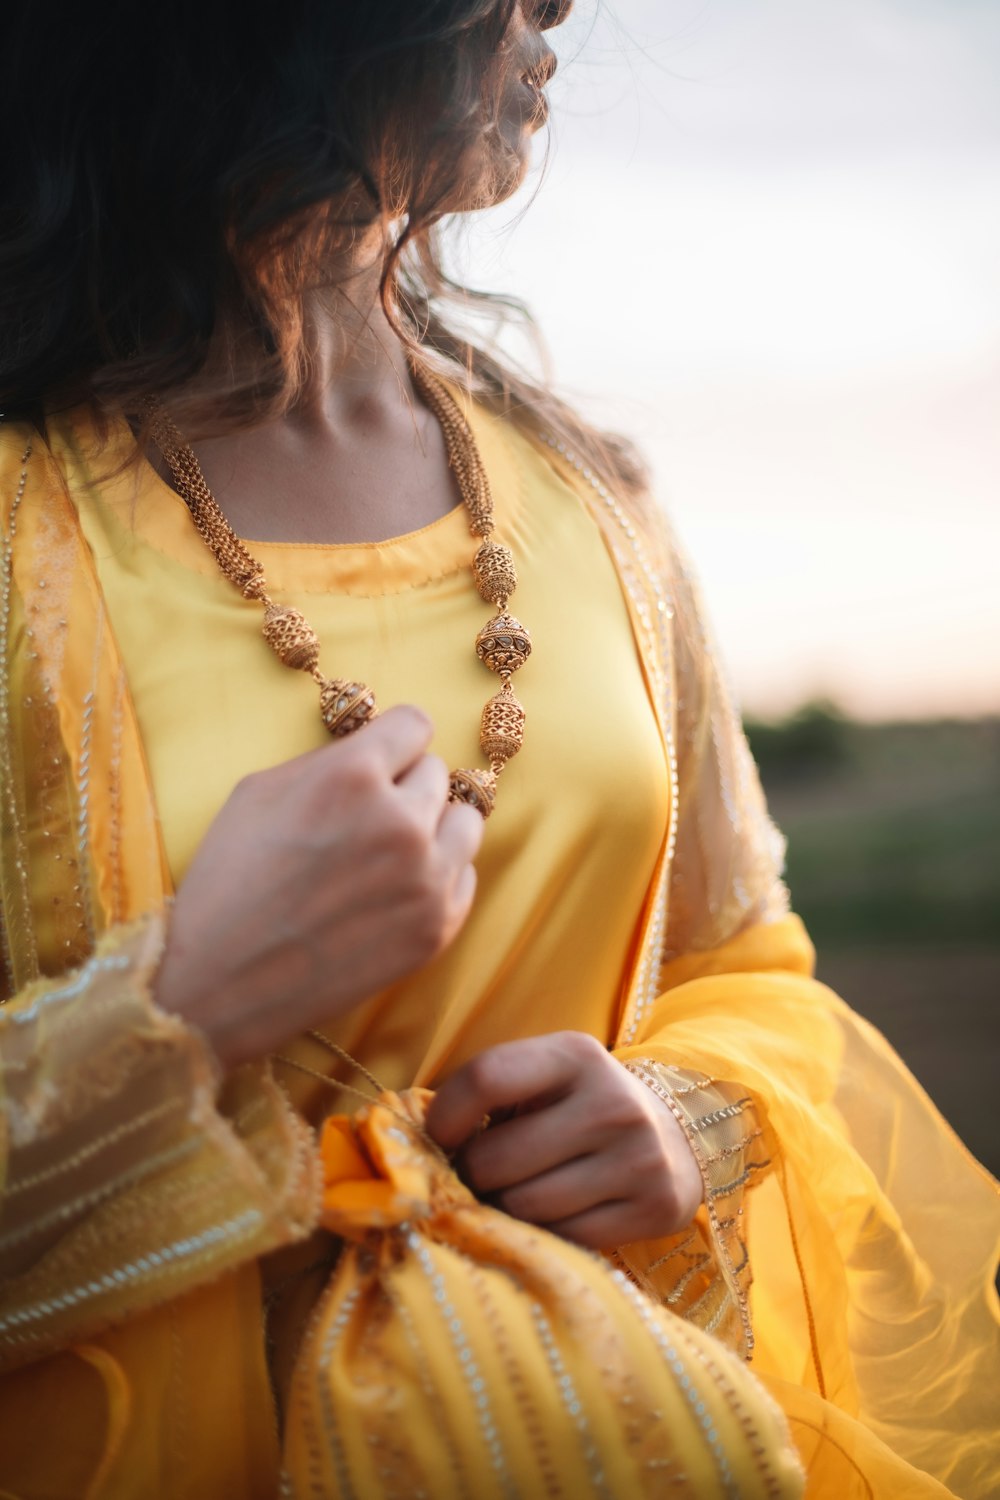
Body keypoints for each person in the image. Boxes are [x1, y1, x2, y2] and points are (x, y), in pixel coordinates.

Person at [0, 2, 996, 1495]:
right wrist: (189, 999)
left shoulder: (589, 496)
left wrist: (687, 1120)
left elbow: (742, 963)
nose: (556, 9)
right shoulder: (25, 527)